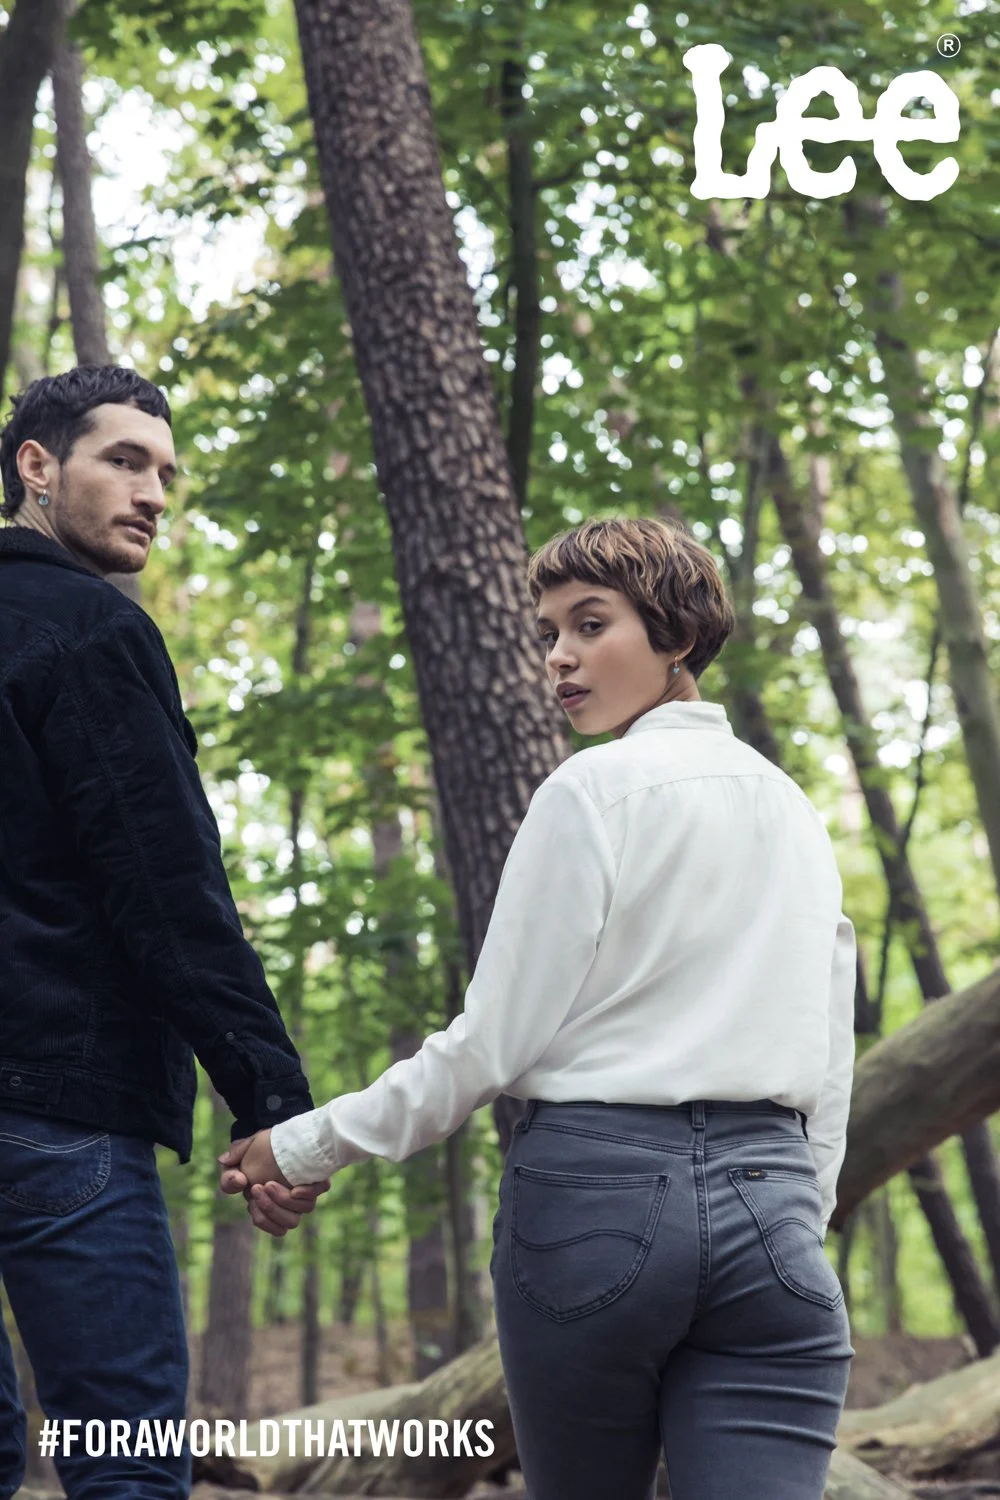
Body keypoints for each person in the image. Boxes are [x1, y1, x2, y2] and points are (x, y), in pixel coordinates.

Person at [221, 516, 856, 1500]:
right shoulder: (797, 815)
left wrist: (301, 1147)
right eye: (547, 632)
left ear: (675, 636)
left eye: (589, 624)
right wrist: (791, 1219)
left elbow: (490, 1047)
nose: (558, 656)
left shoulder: (591, 791)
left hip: (594, 1204)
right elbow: (829, 1069)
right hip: (770, 1217)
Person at [0, 364, 325, 1500]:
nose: (154, 494)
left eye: (166, 474)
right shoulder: (89, 628)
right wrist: (275, 1098)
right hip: (54, 1105)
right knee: (126, 1461)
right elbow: (167, 889)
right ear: (36, 467)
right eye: (124, 461)